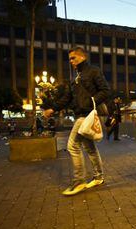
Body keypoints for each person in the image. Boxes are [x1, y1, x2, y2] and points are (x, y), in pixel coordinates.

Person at [43, 46, 111, 196]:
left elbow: (105, 90)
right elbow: (67, 98)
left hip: (86, 115)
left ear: (82, 57)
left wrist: (91, 101)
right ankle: (99, 177)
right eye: (70, 59)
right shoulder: (75, 78)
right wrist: (52, 109)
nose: (71, 62)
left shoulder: (93, 71)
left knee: (73, 146)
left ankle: (79, 181)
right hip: (80, 115)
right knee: (90, 148)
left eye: (73, 58)